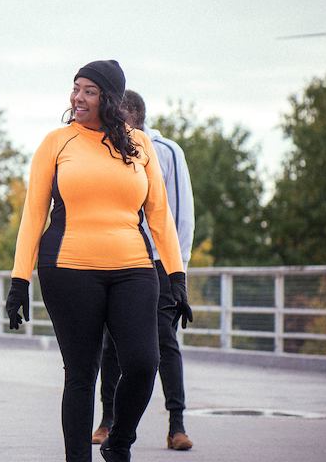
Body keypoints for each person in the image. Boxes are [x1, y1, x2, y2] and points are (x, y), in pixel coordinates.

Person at [5, 60, 193, 462]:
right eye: (75, 88)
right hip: (69, 269)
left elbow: (159, 214)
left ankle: (119, 441)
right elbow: (33, 215)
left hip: (134, 269)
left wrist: (177, 276)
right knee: (81, 374)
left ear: (109, 98)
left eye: (89, 90)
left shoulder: (139, 144)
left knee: (143, 363)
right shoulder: (56, 142)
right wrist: (19, 279)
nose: (78, 97)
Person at [92, 90, 196, 451]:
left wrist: (177, 272)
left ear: (132, 116)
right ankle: (108, 420)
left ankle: (176, 424)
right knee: (110, 345)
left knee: (164, 342)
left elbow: (179, 215)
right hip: (118, 260)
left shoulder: (165, 151)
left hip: (158, 263)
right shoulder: (105, 146)